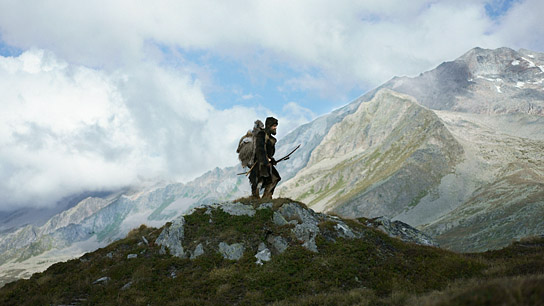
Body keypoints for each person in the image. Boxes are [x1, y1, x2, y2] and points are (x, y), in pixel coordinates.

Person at [249, 117, 281, 199]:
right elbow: (260, 149)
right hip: (259, 164)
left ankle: (267, 197)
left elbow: (269, 153)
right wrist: (265, 160)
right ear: (269, 126)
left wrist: (271, 160)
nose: (275, 128)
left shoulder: (271, 139)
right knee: (259, 181)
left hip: (267, 163)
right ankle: (255, 199)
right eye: (274, 126)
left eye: (276, 126)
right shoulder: (261, 135)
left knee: (275, 178)